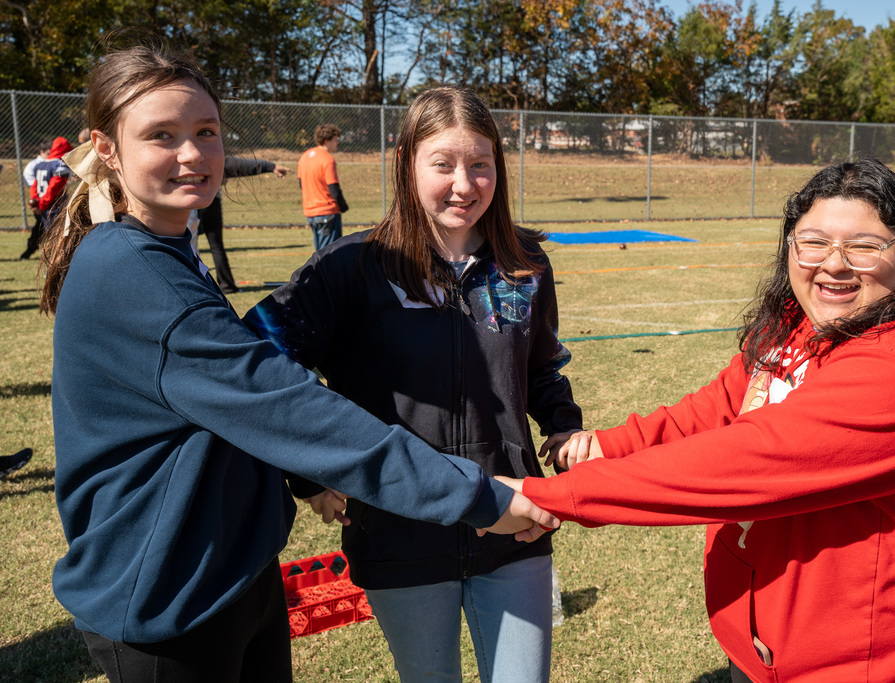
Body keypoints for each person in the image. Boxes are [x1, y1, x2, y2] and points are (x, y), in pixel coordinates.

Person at [39, 43, 556, 683]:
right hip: (169, 596)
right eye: (161, 136)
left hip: (231, 575)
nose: (193, 154)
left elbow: (541, 366)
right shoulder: (132, 272)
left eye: (206, 132)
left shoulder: (163, 251)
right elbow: (283, 402)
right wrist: (473, 493)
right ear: (108, 148)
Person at [505, 159, 895, 682]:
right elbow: (718, 406)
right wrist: (604, 445)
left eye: (864, 246)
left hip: (845, 663)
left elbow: (738, 463)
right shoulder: (807, 325)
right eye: (813, 242)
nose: (834, 264)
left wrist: (547, 497)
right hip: (766, 645)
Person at [244, 85, 583, 683]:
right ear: (406, 164)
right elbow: (258, 358)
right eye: (444, 164)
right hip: (398, 530)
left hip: (514, 521)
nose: (465, 183)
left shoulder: (525, 264)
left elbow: (540, 366)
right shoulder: (350, 267)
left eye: (481, 165)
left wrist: (562, 427)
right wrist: (311, 472)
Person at [196, 157, 291, 293]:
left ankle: (211, 286)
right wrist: (270, 166)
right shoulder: (207, 153)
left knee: (196, 245)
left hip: (203, 203)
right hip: (204, 204)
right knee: (212, 246)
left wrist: (270, 166)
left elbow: (236, 165)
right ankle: (226, 285)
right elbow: (234, 165)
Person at [297, 123, 347, 250]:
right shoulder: (328, 159)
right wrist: (343, 205)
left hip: (310, 212)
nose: (337, 143)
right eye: (335, 140)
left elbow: (301, 184)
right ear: (326, 141)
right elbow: (333, 188)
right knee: (329, 256)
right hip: (327, 212)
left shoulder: (304, 157)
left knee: (319, 255)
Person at [28, 135, 72, 234]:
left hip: (43, 206)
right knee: (60, 236)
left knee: (50, 234)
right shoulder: (59, 165)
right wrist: (42, 205)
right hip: (54, 206)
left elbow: (34, 186)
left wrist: (36, 203)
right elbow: (54, 187)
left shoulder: (40, 165)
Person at [19, 139, 50, 260]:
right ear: (41, 151)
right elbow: (31, 184)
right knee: (40, 227)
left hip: (52, 201)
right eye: (48, 153)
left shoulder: (54, 162)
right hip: (40, 202)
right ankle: (29, 250)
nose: (49, 156)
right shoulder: (33, 165)